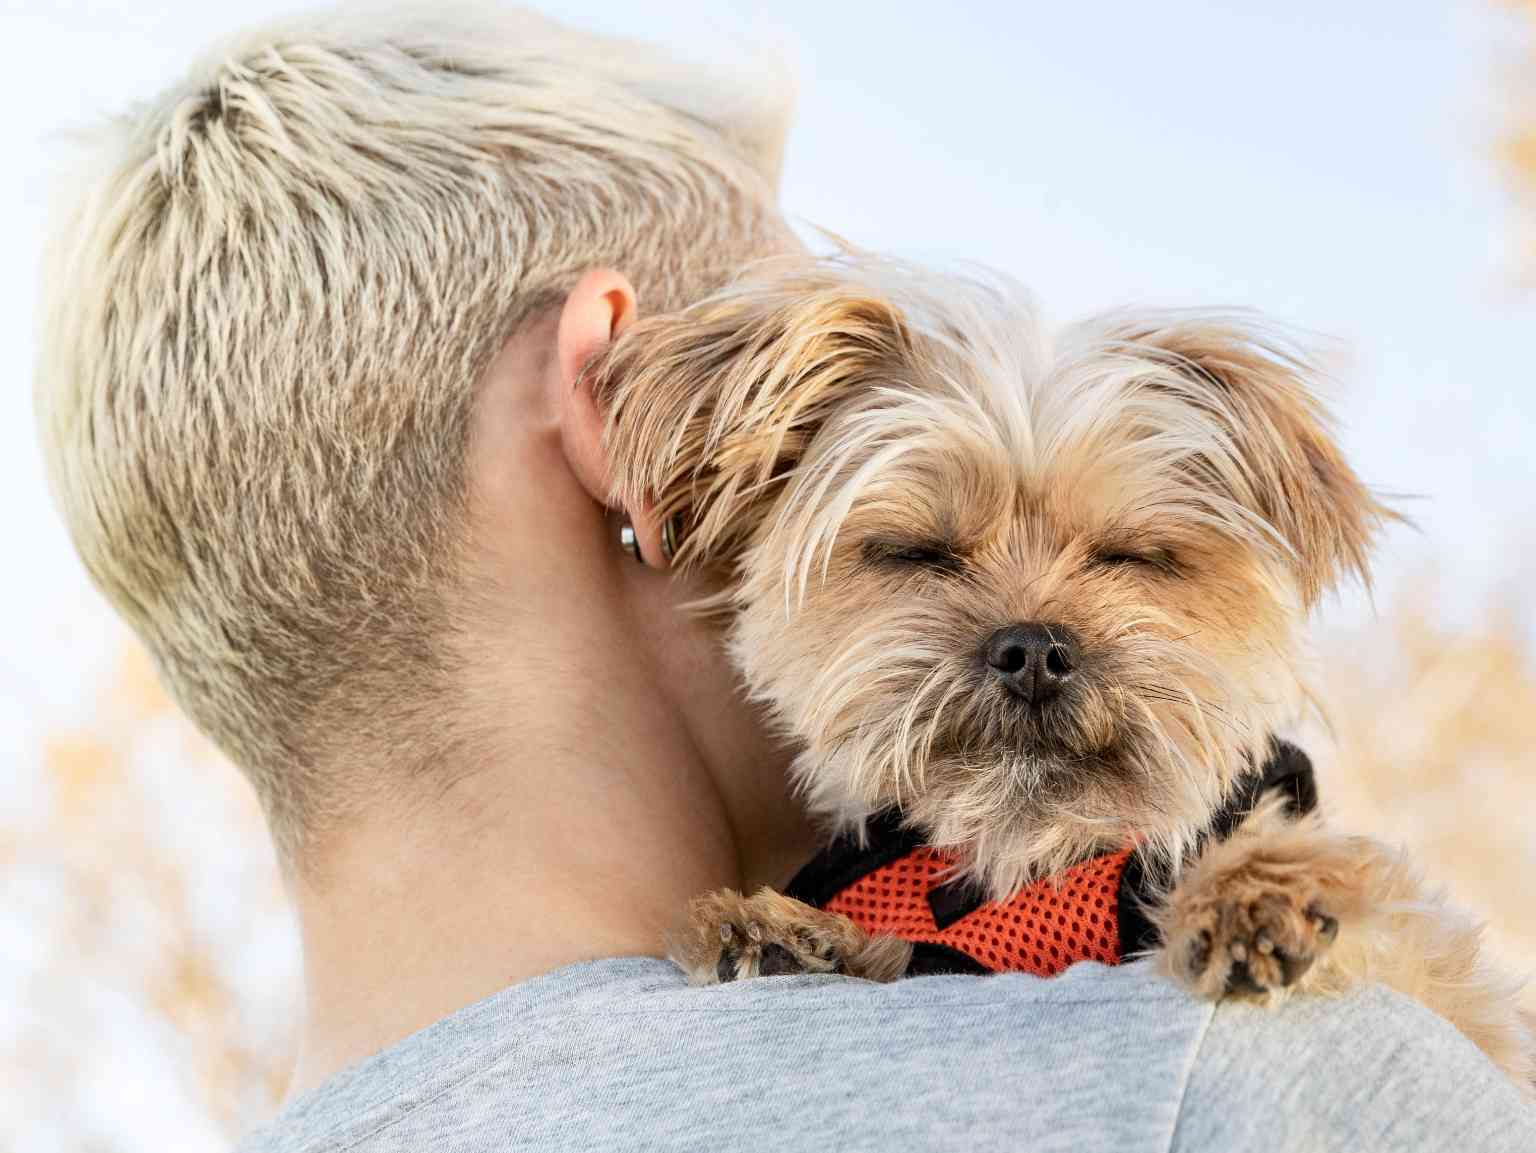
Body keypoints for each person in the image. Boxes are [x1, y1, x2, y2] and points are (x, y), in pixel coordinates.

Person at [34, 6, 1536, 1151]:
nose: (1029, 633)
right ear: (615, 417)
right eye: (906, 547)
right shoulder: (1237, 1074)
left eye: (1131, 557)